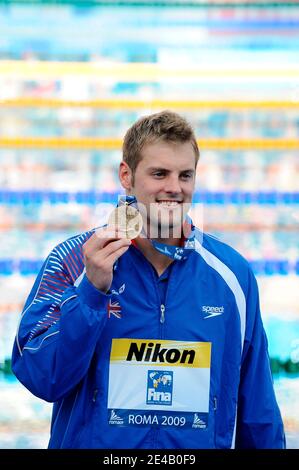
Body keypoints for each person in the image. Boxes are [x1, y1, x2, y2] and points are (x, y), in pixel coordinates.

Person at [12, 110, 285, 449]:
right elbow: (42, 378)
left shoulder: (231, 275)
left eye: (185, 175)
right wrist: (91, 293)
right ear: (126, 175)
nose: (174, 188)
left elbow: (257, 407)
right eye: (159, 174)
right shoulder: (73, 260)